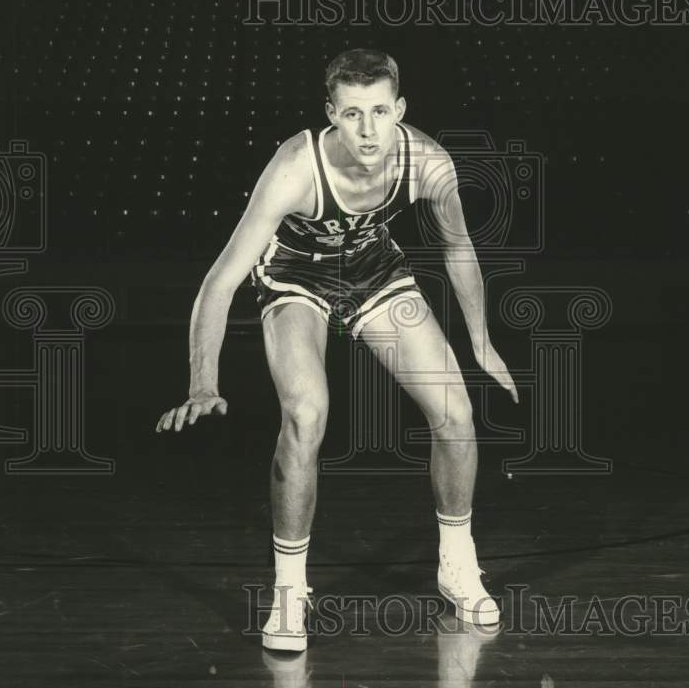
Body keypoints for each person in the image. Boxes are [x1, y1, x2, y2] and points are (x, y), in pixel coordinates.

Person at [156, 48, 518, 652]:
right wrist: (202, 380)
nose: (369, 130)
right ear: (331, 114)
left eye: (380, 111)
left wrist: (480, 342)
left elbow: (459, 249)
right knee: (306, 414)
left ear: (400, 108)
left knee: (456, 412)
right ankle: (289, 593)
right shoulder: (295, 167)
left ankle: (457, 564)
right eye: (353, 114)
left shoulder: (429, 161)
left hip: (376, 271)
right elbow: (219, 280)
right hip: (296, 276)